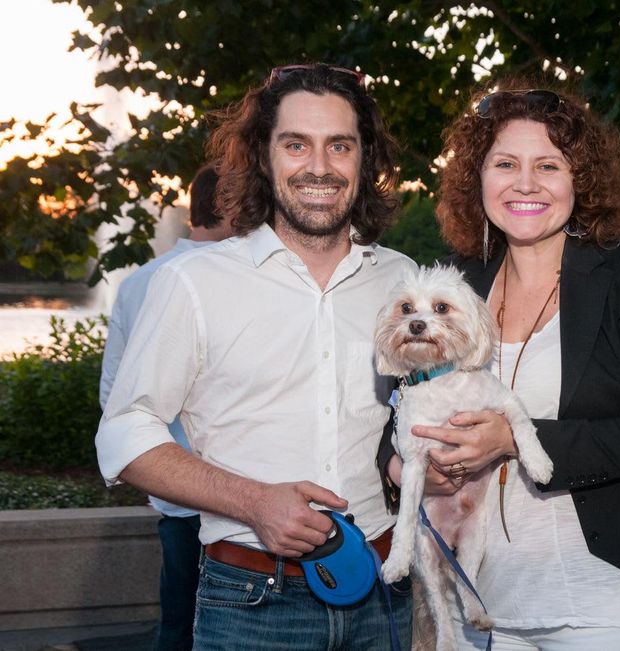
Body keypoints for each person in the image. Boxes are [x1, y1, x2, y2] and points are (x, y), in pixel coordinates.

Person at [96, 63, 416, 650]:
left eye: (339, 146)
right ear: (263, 157)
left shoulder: (403, 281)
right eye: (296, 144)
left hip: (386, 594)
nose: (319, 167)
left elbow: (416, 411)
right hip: (252, 602)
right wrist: (255, 501)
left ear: (364, 161)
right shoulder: (193, 282)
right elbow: (123, 432)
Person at [390, 81, 620, 649]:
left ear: (580, 179)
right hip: (483, 604)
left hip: (606, 603)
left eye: (548, 165)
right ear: (478, 179)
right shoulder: (456, 283)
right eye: (505, 163)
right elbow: (402, 398)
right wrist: (400, 466)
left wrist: (510, 438)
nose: (525, 183)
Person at [99, 164, 232, 651]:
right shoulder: (219, 281)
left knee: (178, 622)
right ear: (232, 206)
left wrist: (157, 475)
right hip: (219, 504)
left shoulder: (137, 282)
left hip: (176, 498)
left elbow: (113, 395)